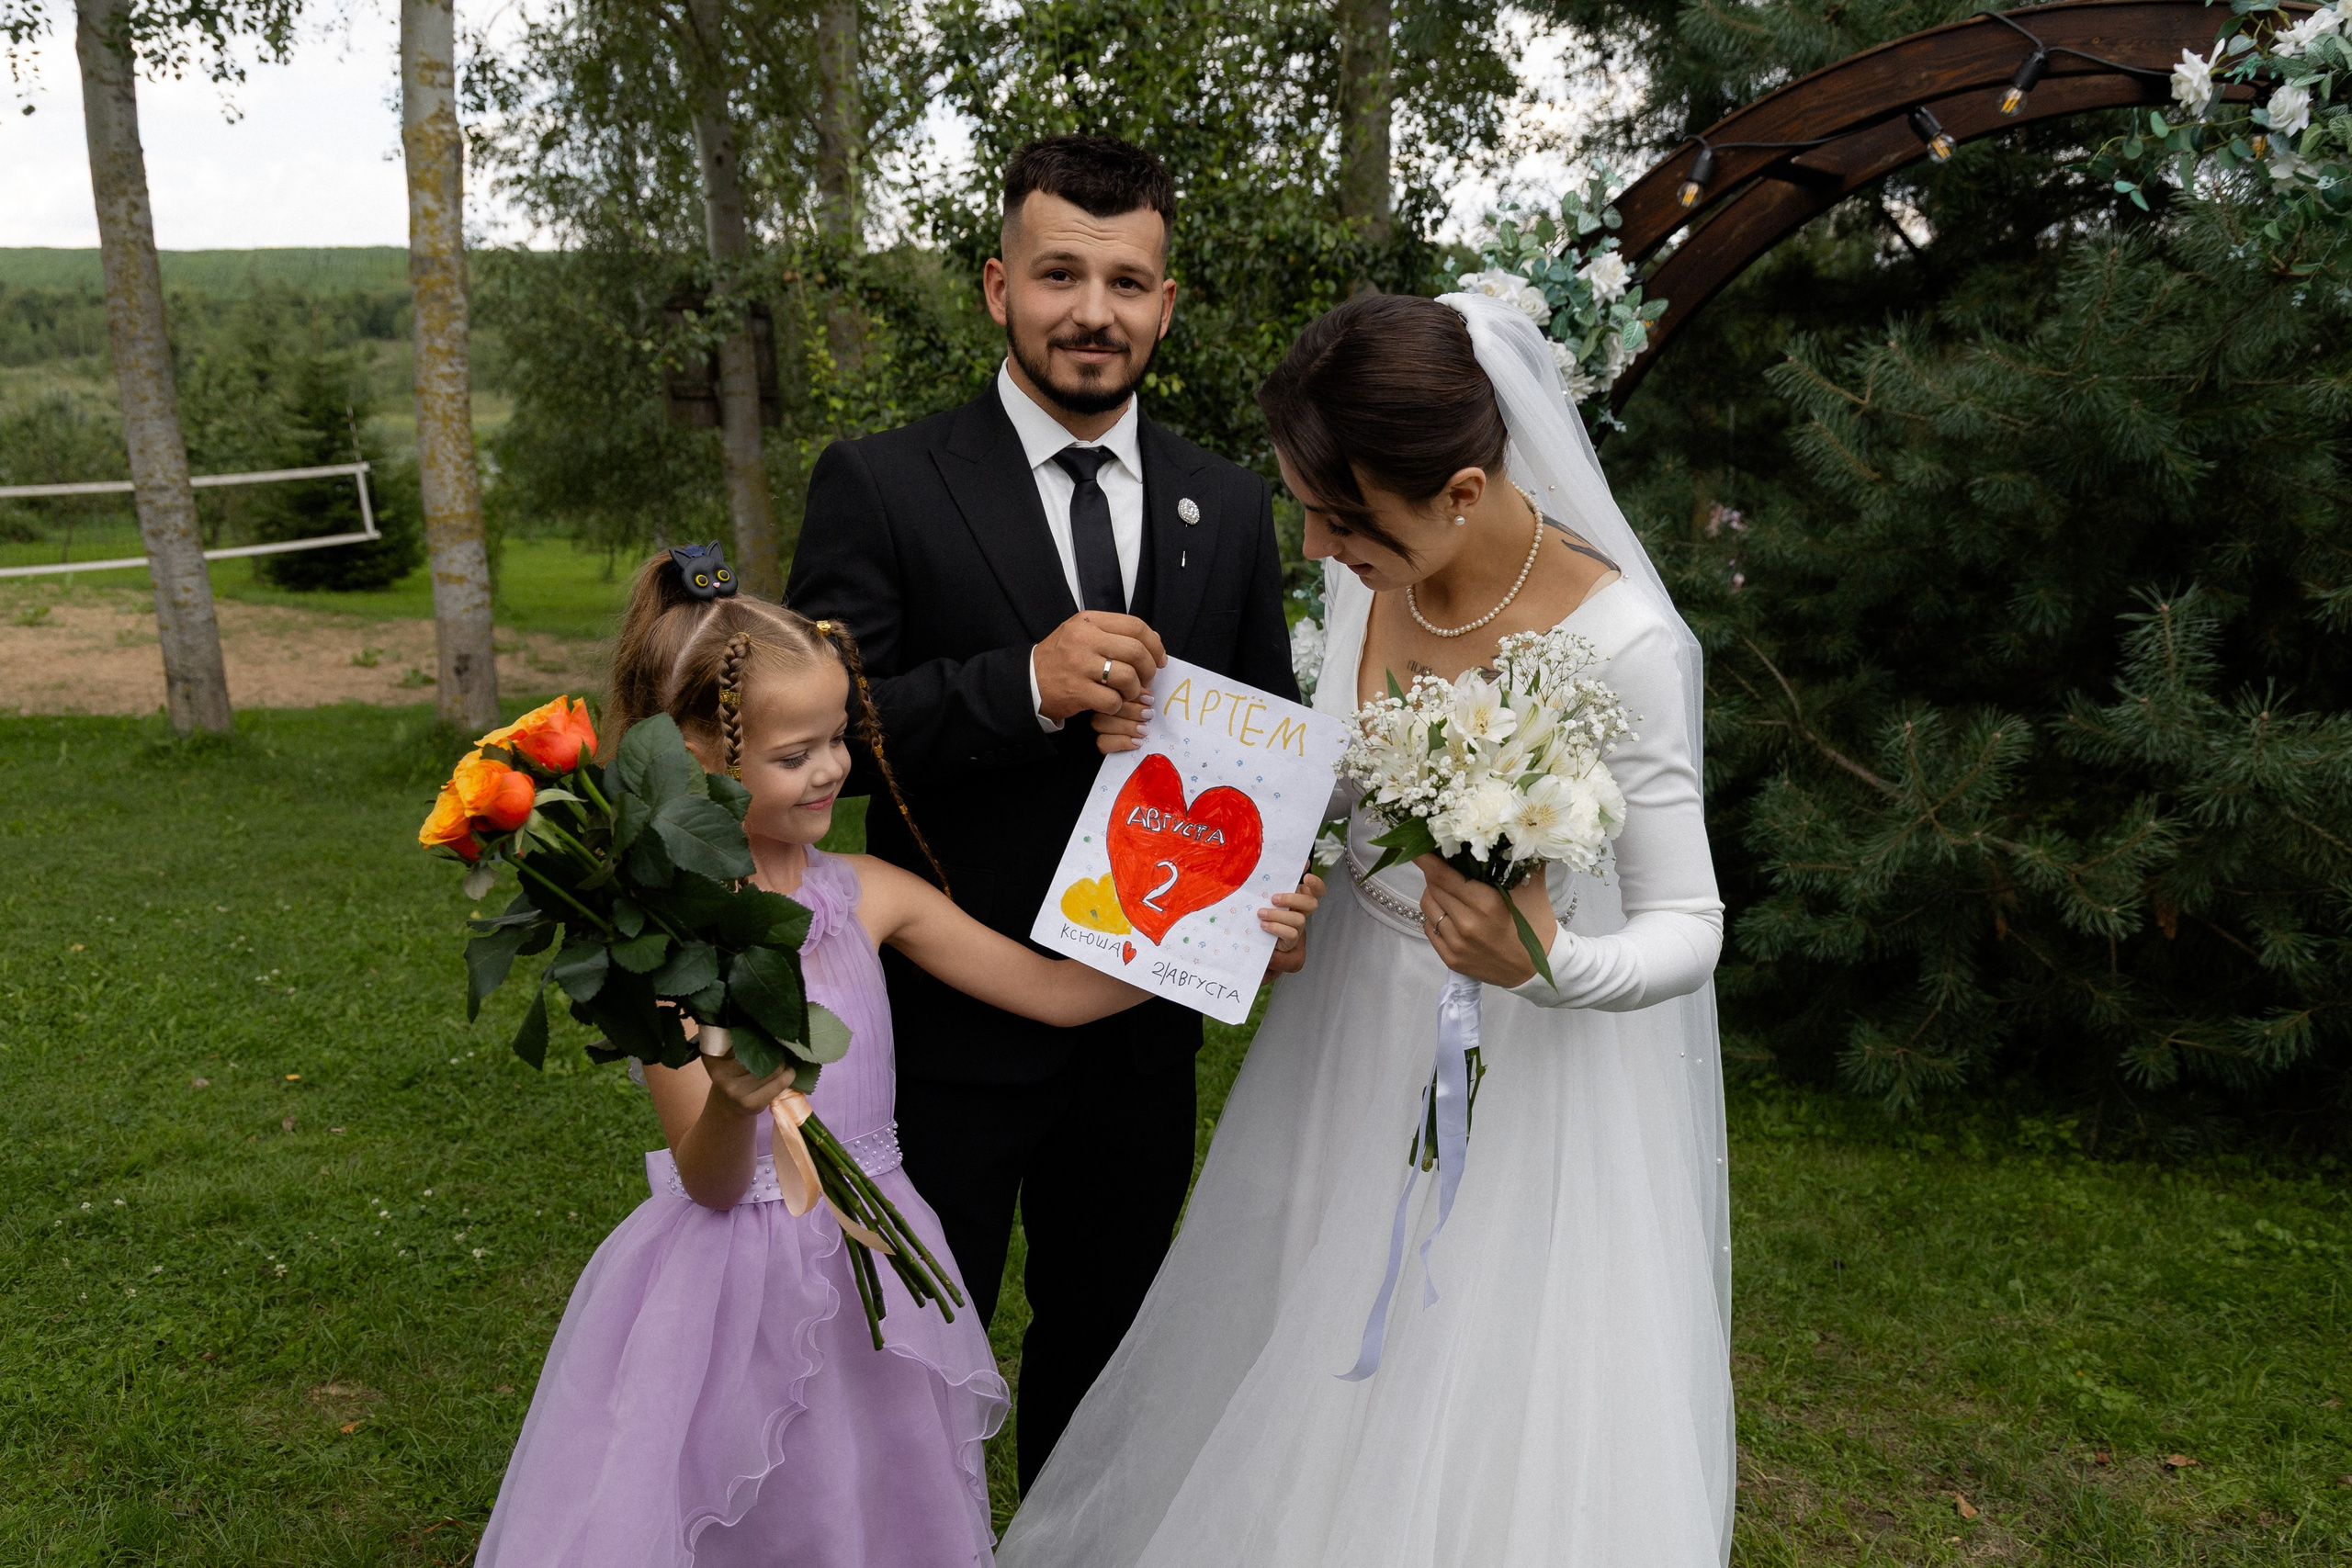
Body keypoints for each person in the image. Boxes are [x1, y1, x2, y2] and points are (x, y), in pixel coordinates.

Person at [999, 292, 1736, 1567]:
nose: (1318, 542)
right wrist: (1214, 778)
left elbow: (1693, 923)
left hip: (1524, 1062)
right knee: (1298, 1306)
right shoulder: (1369, 579)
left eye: (1346, 518)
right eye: (1306, 505)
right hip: (1345, 1021)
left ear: (1459, 489)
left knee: (1467, 1355)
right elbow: (1348, 777)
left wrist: (1556, 964)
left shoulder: (1627, 645)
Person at [473, 551, 1319, 1568]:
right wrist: (736, 1106)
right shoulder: (661, 940)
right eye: (797, 754)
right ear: (696, 755)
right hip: (733, 1280)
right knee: (762, 1507)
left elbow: (1052, 994)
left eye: (839, 739)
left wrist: (1220, 948)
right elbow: (706, 1181)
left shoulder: (868, 891)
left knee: (876, 1498)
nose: (833, 769)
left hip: (877, 1248)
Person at [786, 133, 1298, 1487]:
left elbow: (1267, 750)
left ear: (1167, 302)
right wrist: (1023, 683)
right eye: (1060, 272)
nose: (1094, 310)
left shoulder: (1231, 506)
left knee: (1111, 1333)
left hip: (1144, 1025)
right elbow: (818, 726)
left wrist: (1272, 894)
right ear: (996, 286)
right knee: (907, 1329)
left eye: (1127, 281)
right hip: (943, 1020)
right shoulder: (883, 481)